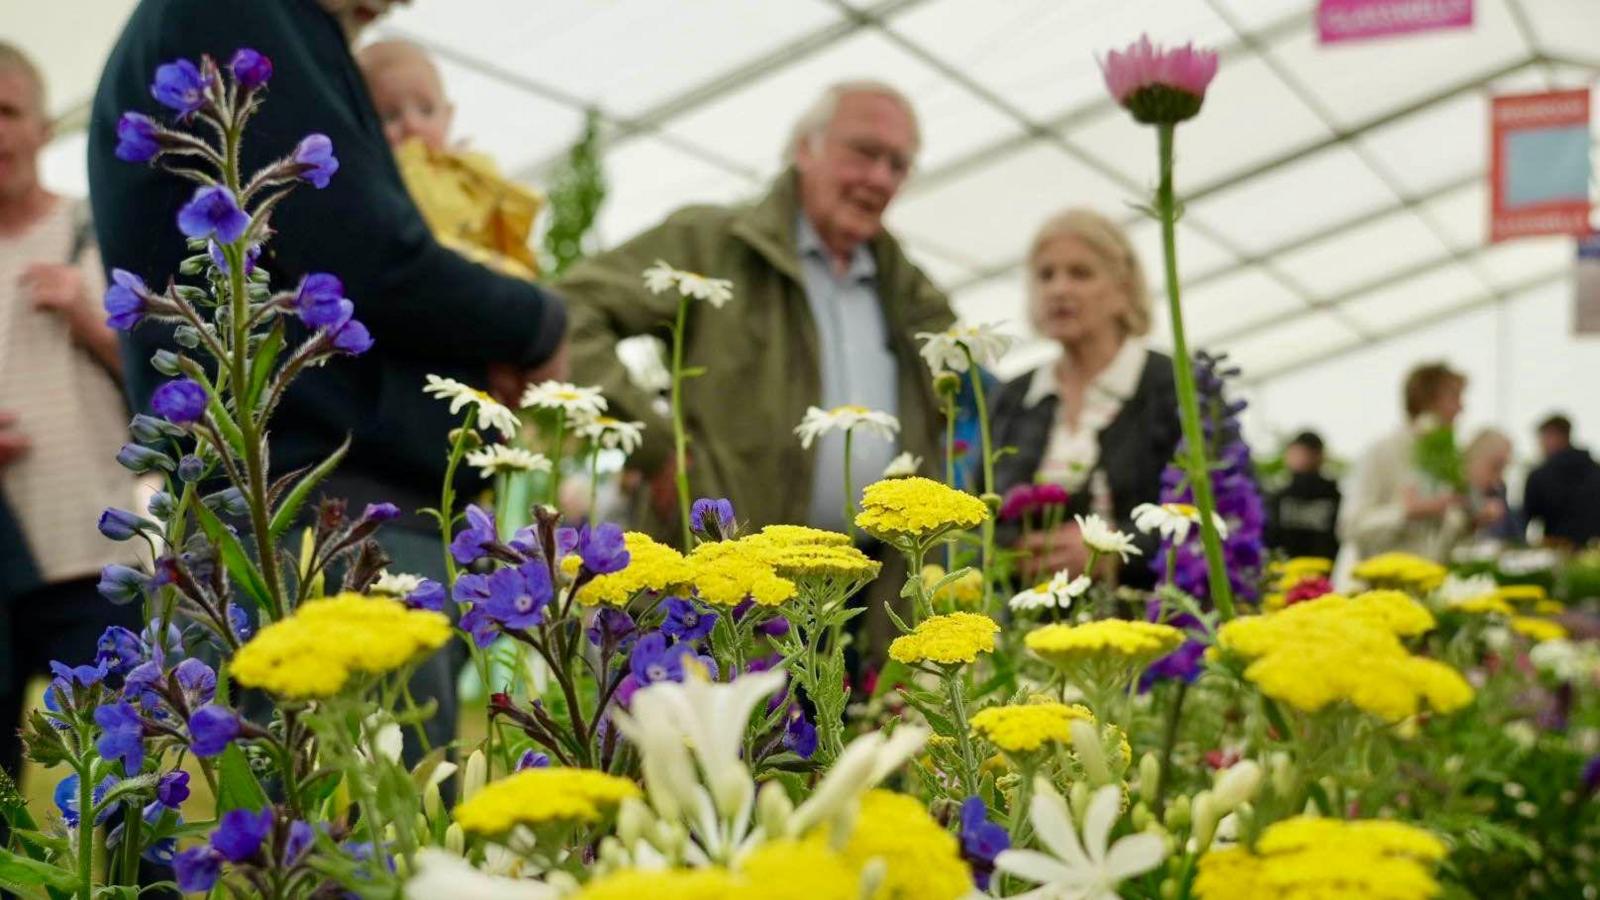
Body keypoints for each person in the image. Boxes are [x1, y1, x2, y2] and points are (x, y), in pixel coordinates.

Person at [88, 0, 569, 757]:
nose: (388, 10)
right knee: (351, 837)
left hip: (296, 503)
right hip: (305, 512)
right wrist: (536, 327)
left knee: (325, 827)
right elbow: (367, 249)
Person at [560, 80, 953, 538]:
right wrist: (652, 442)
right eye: (865, 153)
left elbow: (973, 401)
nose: (881, 178)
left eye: (899, 165)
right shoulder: (713, 245)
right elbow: (570, 309)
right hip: (724, 581)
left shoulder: (909, 290)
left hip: (870, 593)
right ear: (806, 149)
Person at [0, 42, 143, 783]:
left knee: (122, 795)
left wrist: (88, 317)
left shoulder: (99, 232)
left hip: (96, 556)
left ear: (43, 126)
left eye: (7, 112)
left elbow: (167, 390)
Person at [989, 209, 1180, 586]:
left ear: (1123, 288)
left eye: (1080, 273)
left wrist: (1112, 550)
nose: (1059, 289)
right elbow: (981, 507)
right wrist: (1016, 552)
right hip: (1028, 626)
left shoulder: (1174, 386)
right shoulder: (1014, 396)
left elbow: (1218, 515)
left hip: (1153, 621)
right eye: (1046, 275)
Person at [357, 39, 543, 280]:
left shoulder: (468, 171)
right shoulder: (378, 179)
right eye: (390, 116)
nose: (413, 126)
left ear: (448, 116)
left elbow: (510, 225)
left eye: (426, 110)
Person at [1339, 362, 1470, 564]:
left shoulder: (1446, 458)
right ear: (1427, 400)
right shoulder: (1381, 451)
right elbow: (1350, 527)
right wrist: (1405, 513)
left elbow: (1438, 538)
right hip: (1371, 589)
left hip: (1424, 586)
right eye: (1454, 397)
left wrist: (1468, 521)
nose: (1462, 408)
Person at [1524, 414, 1600, 548]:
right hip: (1593, 553)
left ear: (1554, 437)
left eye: (1542, 439)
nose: (1541, 445)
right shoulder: (1596, 470)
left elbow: (1525, 518)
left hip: (1557, 551)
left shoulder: (1540, 475)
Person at [1264, 431, 1341, 560]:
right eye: (1297, 453)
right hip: (1283, 573)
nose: (1302, 458)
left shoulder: (1334, 497)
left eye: (1307, 453)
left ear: (1320, 456)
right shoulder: (1277, 497)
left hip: (1323, 573)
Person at [1462, 427, 1519, 543]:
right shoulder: (1455, 489)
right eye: (1496, 467)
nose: (1498, 479)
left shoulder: (1498, 490)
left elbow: (1513, 536)